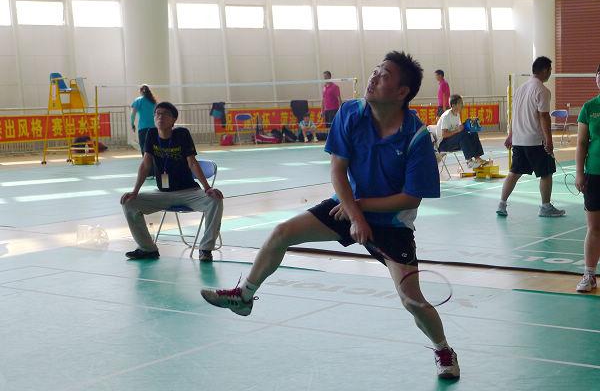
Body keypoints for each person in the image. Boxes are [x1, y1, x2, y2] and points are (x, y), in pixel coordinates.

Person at [201, 51, 460, 379]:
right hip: (347, 206)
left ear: (401, 92)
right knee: (281, 233)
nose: (374, 77)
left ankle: (443, 349)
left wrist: (361, 210)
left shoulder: (417, 137)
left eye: (384, 75)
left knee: (412, 300)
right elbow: (338, 171)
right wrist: (355, 215)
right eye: (376, 70)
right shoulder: (351, 113)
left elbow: (411, 197)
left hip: (391, 222)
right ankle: (244, 296)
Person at [120, 102, 224, 262]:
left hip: (189, 192)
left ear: (174, 119)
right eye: (157, 114)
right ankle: (148, 249)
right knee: (129, 203)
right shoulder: (151, 134)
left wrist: (207, 188)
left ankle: (205, 249)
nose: (160, 117)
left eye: (165, 114)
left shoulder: (182, 134)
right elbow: (145, 165)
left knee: (215, 200)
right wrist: (135, 192)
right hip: (163, 193)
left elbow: (192, 163)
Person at [496, 56, 565, 217]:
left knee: (514, 173)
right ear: (545, 70)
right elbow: (544, 117)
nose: (550, 73)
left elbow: (514, 114)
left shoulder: (520, 89)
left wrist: (511, 135)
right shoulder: (542, 90)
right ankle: (545, 207)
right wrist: (549, 140)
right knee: (546, 173)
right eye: (550, 70)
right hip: (535, 141)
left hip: (519, 140)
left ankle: (501, 204)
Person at [575, 65, 600, 292]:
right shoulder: (589, 108)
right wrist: (580, 172)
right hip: (594, 174)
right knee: (594, 227)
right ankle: (590, 275)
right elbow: (582, 143)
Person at [437, 94, 489, 168]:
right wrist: (457, 130)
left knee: (472, 132)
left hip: (453, 140)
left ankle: (477, 158)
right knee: (463, 135)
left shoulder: (457, 114)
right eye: (460, 103)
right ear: (453, 105)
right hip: (443, 144)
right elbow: (444, 134)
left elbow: (459, 129)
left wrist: (468, 125)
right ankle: (469, 161)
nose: (462, 105)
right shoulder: (446, 116)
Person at [131, 84, 157, 157]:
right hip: (154, 128)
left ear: (141, 91)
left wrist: (132, 124)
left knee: (144, 148)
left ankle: (146, 162)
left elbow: (133, 114)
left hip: (143, 128)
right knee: (154, 148)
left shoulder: (138, 100)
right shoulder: (154, 101)